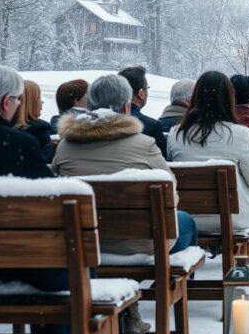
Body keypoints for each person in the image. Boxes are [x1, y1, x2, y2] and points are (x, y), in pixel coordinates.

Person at [0, 65, 67, 334]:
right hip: (13, 263)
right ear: (6, 103)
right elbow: (53, 204)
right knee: (77, 273)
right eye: (17, 100)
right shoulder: (19, 144)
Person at [52, 74, 197, 255]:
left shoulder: (65, 147)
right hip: (141, 243)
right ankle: (172, 280)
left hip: (83, 243)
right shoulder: (145, 144)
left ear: (89, 106)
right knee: (185, 220)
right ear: (126, 106)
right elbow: (171, 195)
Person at [168, 71, 249, 232]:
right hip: (233, 216)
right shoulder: (238, 133)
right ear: (229, 99)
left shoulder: (175, 133)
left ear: (196, 97)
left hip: (187, 216)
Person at [118, 66, 167, 158]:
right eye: (147, 88)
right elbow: (163, 160)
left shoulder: (102, 123)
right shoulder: (152, 126)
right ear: (141, 93)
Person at [12, 79, 55, 157]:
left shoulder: (2, 129)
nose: (42, 103)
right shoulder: (40, 131)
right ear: (30, 103)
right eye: (39, 98)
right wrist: (52, 149)